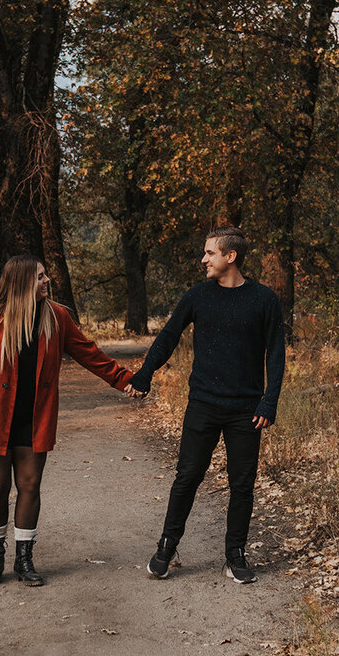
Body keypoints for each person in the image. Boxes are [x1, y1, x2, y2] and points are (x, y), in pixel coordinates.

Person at [0, 254, 138, 586]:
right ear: (22, 282)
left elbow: (89, 353)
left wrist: (124, 379)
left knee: (30, 486)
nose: (47, 281)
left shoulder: (56, 317)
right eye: (40, 277)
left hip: (34, 418)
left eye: (46, 276)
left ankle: (24, 559)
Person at [129, 227, 285, 584]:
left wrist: (269, 400)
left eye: (210, 253)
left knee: (242, 484)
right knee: (187, 477)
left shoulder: (264, 300)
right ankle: (166, 547)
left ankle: (235, 554)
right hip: (202, 403)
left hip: (246, 409)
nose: (203, 259)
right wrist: (144, 374)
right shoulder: (198, 296)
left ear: (231, 256)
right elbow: (169, 336)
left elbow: (276, 354)